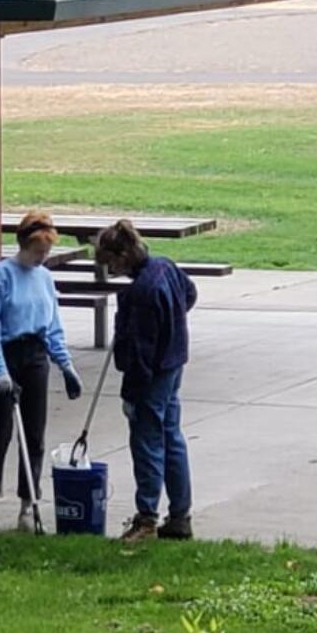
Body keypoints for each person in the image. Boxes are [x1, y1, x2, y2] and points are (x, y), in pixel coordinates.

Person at [0, 211, 83, 531]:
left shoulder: (45, 278)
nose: (43, 258)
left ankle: (27, 504)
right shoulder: (1, 275)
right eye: (39, 252)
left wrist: (66, 365)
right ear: (24, 245)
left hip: (35, 355)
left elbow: (53, 327)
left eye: (47, 253)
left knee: (33, 434)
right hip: (6, 354)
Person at [94, 220, 197, 543]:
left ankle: (147, 518)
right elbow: (190, 294)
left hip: (151, 374)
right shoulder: (165, 266)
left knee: (147, 443)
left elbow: (137, 357)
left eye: (110, 263)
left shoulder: (140, 294)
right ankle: (180, 516)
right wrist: (173, 324)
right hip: (174, 363)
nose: (110, 270)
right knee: (172, 437)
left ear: (123, 254)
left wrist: (130, 396)